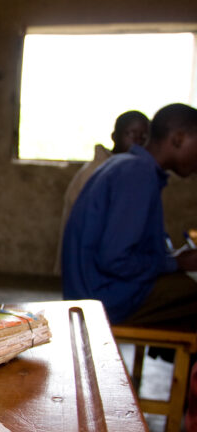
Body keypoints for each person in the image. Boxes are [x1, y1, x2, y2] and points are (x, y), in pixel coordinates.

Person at [61, 103, 197, 326]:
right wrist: (176, 263)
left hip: (92, 289)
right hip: (105, 299)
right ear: (179, 138)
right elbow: (115, 260)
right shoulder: (138, 174)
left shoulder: (124, 164)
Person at [53, 110, 150, 273]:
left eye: (144, 137)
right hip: (89, 269)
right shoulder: (96, 173)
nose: (137, 142)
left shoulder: (127, 170)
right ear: (114, 136)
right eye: (131, 134)